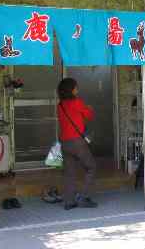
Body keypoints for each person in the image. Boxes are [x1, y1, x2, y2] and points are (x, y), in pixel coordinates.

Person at [57, 77, 98, 210]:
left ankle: (69, 202)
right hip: (77, 142)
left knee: (69, 172)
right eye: (76, 87)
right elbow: (89, 116)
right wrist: (89, 108)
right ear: (71, 89)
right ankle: (84, 197)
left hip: (65, 143)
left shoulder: (60, 105)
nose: (77, 89)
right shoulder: (77, 102)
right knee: (91, 167)